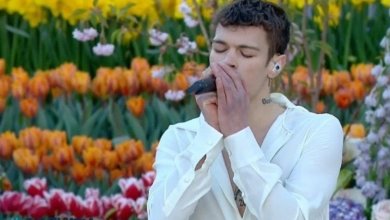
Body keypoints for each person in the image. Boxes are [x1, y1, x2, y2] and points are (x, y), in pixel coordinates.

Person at [147, 0, 343, 219]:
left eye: (246, 54)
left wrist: (238, 134)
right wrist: (209, 134)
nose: (227, 62)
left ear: (275, 65)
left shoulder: (315, 131)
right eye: (219, 49)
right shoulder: (181, 137)